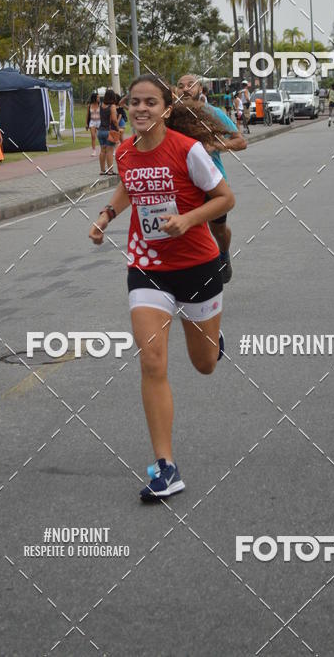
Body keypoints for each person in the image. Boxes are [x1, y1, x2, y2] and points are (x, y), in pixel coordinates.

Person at [89, 74, 235, 501]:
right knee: (151, 360)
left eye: (150, 102)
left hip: (197, 265)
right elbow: (127, 188)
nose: (140, 109)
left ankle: (213, 339)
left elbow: (226, 198)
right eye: (134, 102)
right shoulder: (125, 152)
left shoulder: (187, 150)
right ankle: (165, 467)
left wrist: (189, 220)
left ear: (165, 108)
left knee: (204, 363)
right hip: (147, 265)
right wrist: (105, 216)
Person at [176, 74, 247, 284]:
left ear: (201, 89)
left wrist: (216, 145)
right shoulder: (172, 117)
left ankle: (223, 254)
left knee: (218, 229)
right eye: (181, 86)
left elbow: (240, 142)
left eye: (190, 85)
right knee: (186, 229)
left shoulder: (213, 113)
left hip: (212, 183)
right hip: (184, 184)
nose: (185, 89)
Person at [97, 87, 119, 175]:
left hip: (101, 131)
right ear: (113, 97)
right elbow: (114, 119)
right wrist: (117, 128)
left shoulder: (101, 105)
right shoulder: (112, 106)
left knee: (102, 151)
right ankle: (110, 170)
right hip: (109, 132)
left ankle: (102, 170)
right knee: (110, 151)